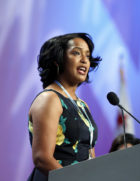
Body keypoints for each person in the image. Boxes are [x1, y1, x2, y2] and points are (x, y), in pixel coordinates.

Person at [27, 33, 102, 181]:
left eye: (87, 56)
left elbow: (88, 153)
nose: (84, 60)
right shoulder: (49, 99)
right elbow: (42, 158)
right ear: (57, 60)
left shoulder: (82, 105)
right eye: (76, 53)